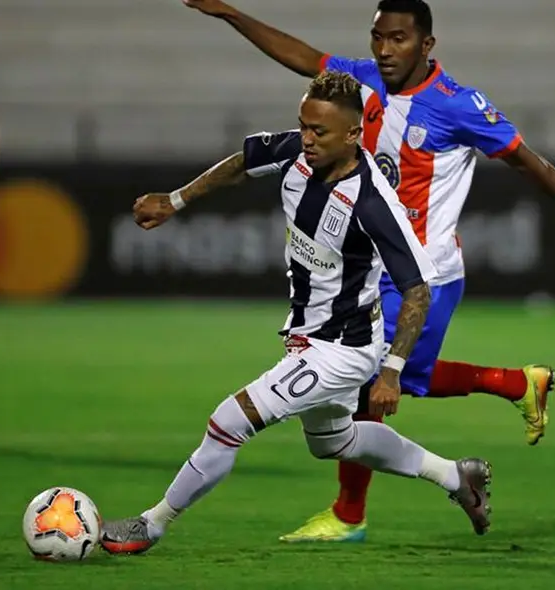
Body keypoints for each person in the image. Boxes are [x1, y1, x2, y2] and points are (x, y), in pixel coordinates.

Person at [183, 0, 555, 542]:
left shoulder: (457, 106)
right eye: (377, 38)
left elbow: (528, 160)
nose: (385, 50)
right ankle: (516, 384)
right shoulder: (363, 82)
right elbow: (303, 58)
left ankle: (349, 515)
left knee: (376, 383)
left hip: (426, 274)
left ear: (426, 45)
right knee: (398, 378)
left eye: (398, 39)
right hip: (376, 266)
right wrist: (230, 14)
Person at [98, 71, 493, 554]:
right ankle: (455, 476)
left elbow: (416, 291)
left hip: (343, 349)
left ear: (353, 135)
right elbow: (243, 161)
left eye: (319, 132)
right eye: (303, 125)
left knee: (229, 421)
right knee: (336, 443)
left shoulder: (371, 201)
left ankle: (151, 524)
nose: (306, 139)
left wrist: (391, 371)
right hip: (312, 337)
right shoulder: (296, 152)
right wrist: (176, 201)